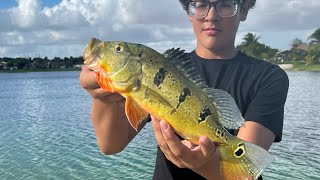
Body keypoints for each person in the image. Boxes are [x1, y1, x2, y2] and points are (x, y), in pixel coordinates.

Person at [80, 0, 289, 179]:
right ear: (188, 10)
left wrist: (204, 164)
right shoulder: (160, 70)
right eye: (201, 4)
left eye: (225, 4)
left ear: (243, 9)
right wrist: (103, 96)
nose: (211, 16)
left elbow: (244, 174)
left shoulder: (269, 78)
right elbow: (110, 145)